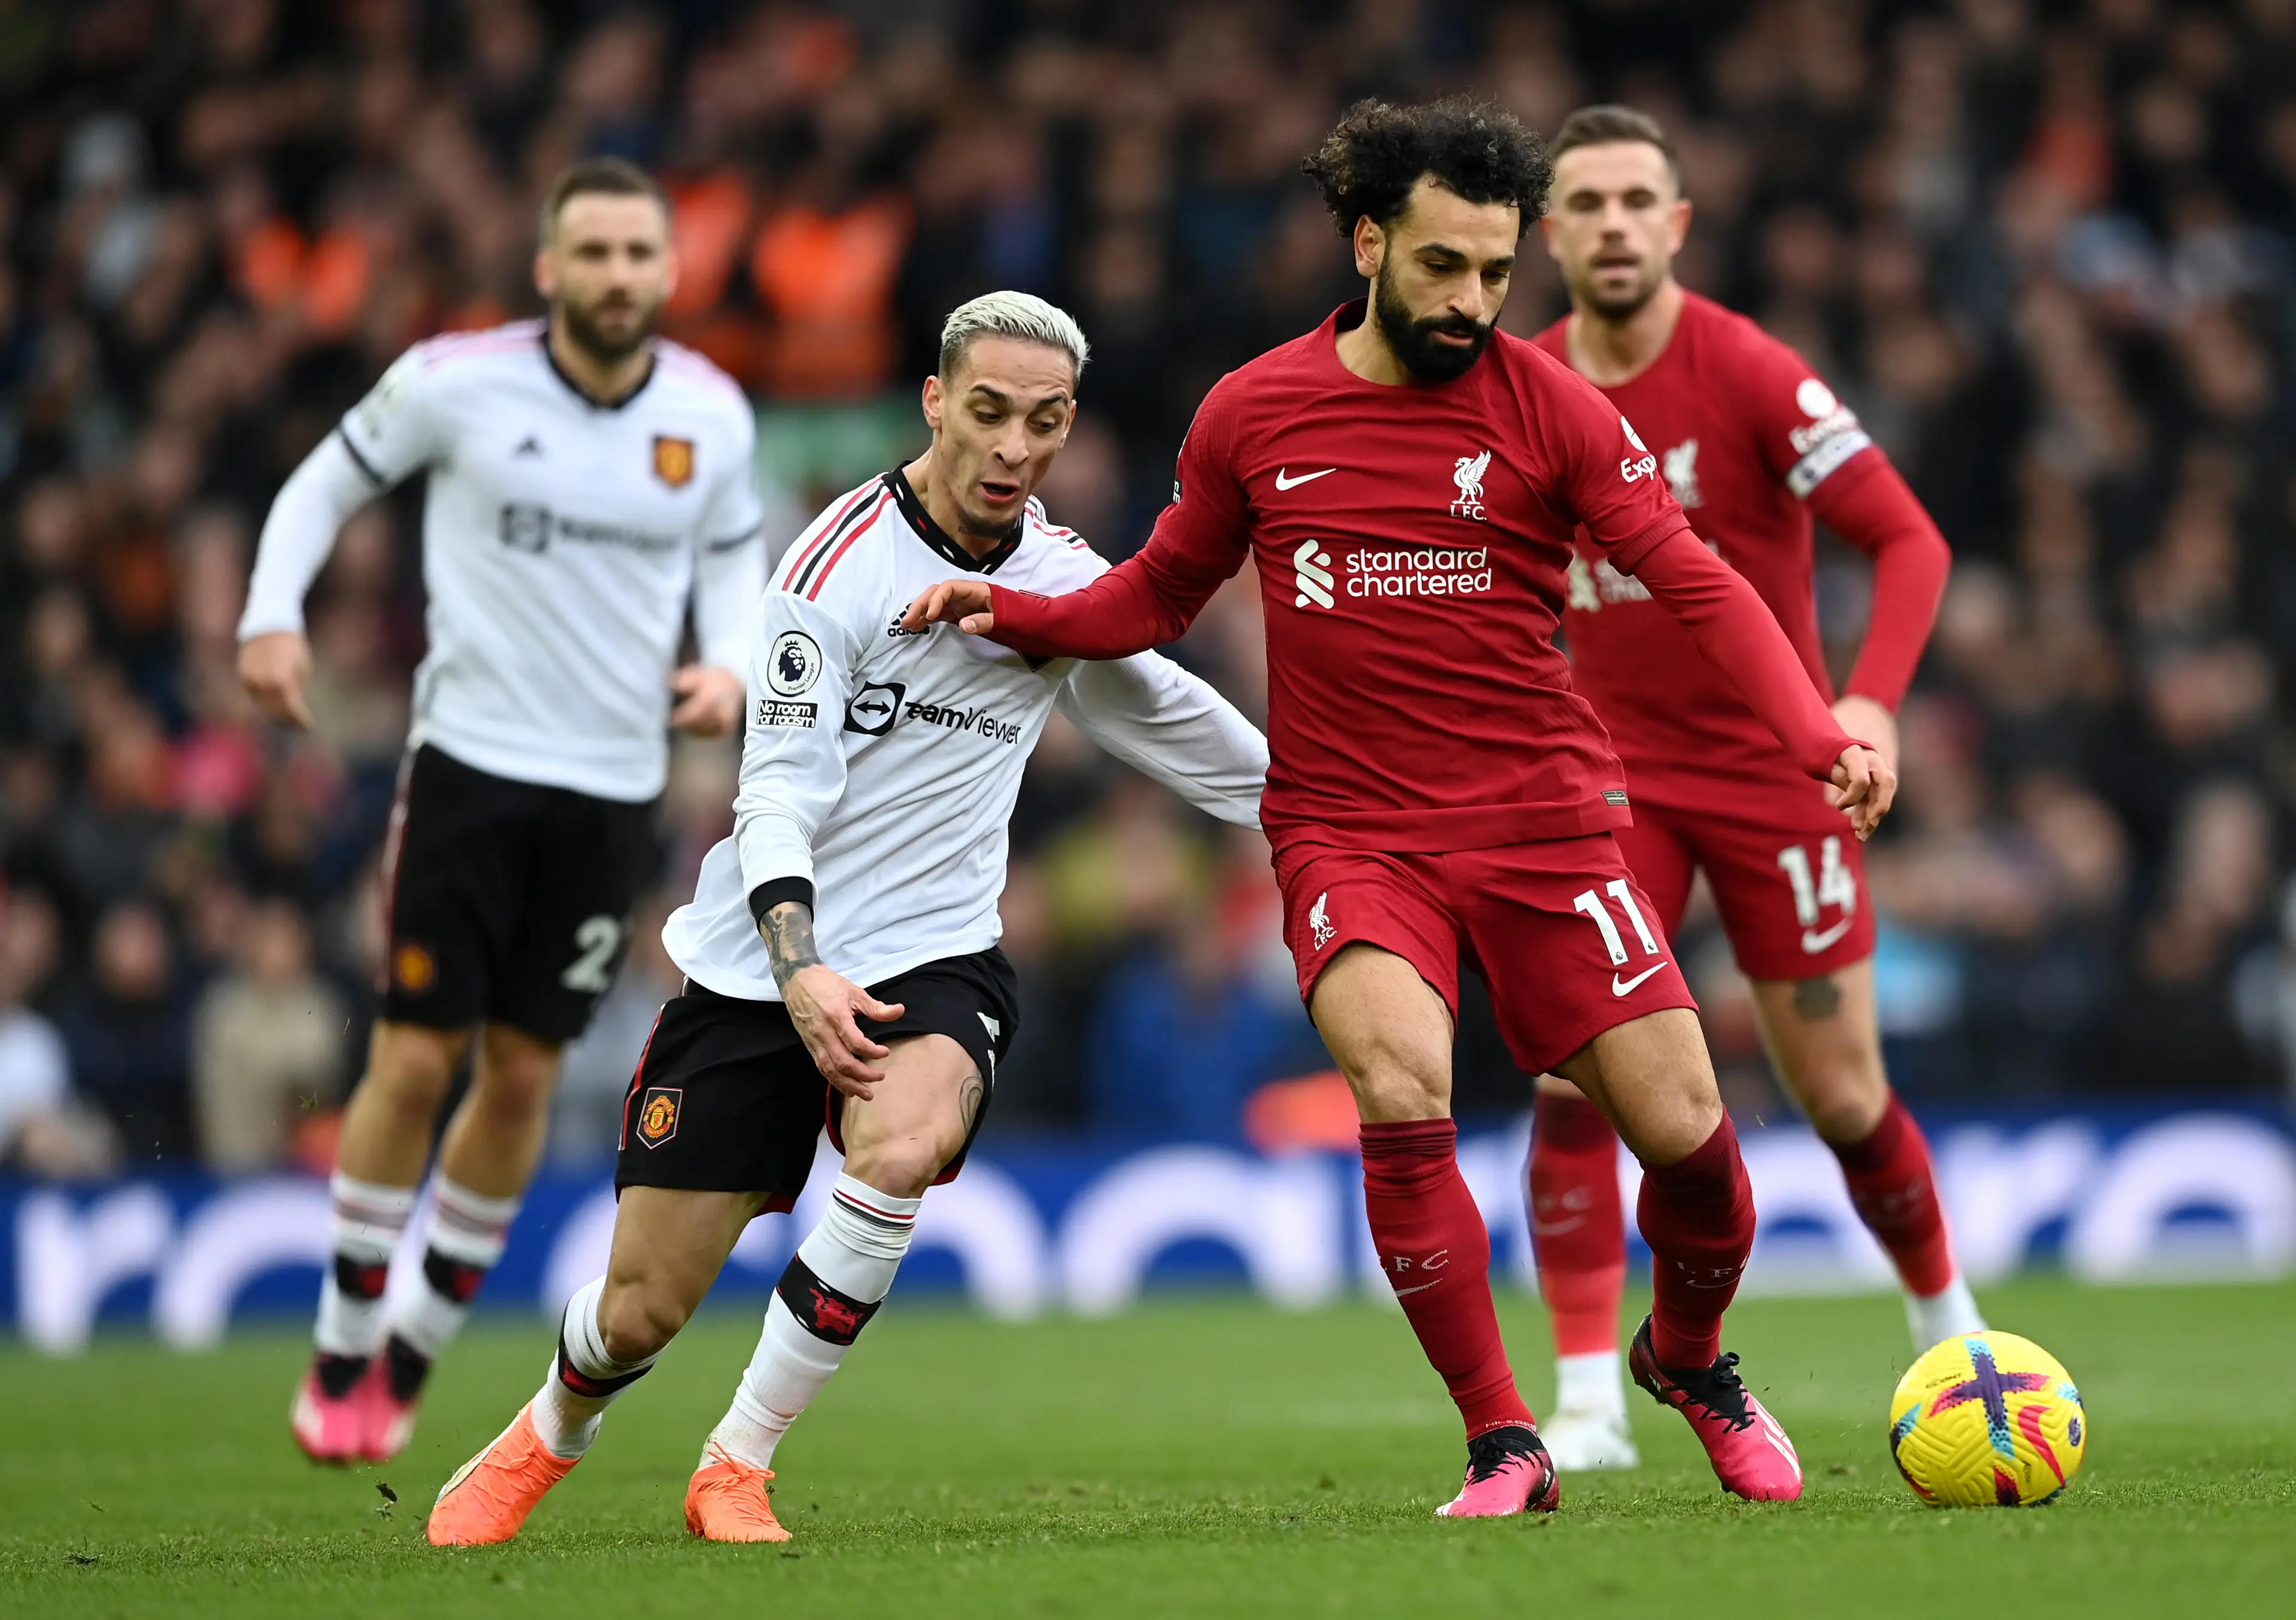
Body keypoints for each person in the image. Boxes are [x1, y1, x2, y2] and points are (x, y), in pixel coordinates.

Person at [906, 98, 1898, 1514]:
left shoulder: (1554, 406)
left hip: (1547, 819)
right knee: (1398, 1086)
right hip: (1351, 829)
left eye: (1498, 273)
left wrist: (1816, 730)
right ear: (1369, 242)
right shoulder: (1254, 411)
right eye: (1444, 266)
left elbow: (1695, 579)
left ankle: (1689, 1357)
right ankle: (1504, 1439)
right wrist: (1008, 610)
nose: (1474, 302)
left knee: (1693, 1142)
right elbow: (1156, 595)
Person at [424, 292, 1268, 1548]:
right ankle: (551, 1427)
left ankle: (737, 1464)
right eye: (986, 413)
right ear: (935, 401)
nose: (1011, 448)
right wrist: (800, 964)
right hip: (762, 963)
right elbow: (776, 791)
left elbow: (1175, 719)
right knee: (640, 1310)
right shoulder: (835, 566)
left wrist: (1331, 817)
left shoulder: (1062, 581)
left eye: (1041, 424)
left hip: (939, 952)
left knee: (903, 1141)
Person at [237, 157, 769, 1463]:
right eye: (591, 252)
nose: (617, 276)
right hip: (470, 769)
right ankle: (349, 1322)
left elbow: (734, 563)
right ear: (548, 268)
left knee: (524, 1067)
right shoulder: (455, 382)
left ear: (669, 269)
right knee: (419, 1052)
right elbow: (321, 485)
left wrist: (731, 661)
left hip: (610, 794)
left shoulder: (711, 415)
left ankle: (416, 1338)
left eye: (639, 254)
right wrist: (268, 614)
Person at [1524, 105, 1983, 1472]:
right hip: (1609, 786)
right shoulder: (1523, 390)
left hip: (1776, 774)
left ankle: (1950, 1334)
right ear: (1548, 232)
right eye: (1584, 202)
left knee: (1840, 1095)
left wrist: (1868, 702)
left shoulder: (1752, 375)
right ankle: (1590, 1403)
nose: (1611, 224)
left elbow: (1907, 539)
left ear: (1676, 224)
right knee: (1570, 1080)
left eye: (1635, 201)